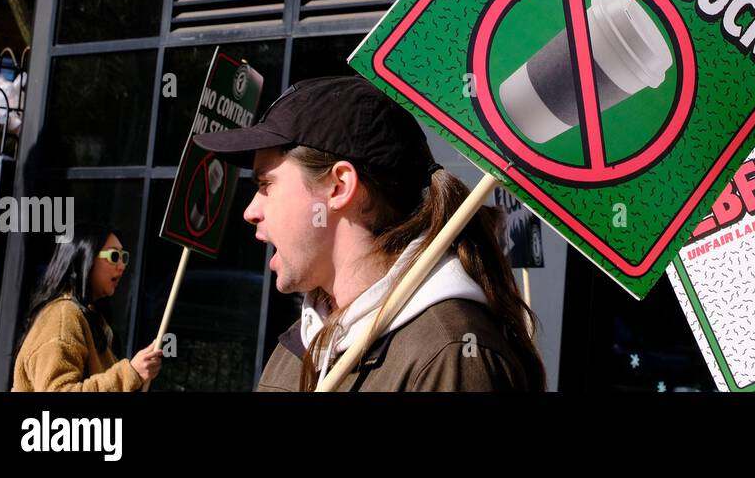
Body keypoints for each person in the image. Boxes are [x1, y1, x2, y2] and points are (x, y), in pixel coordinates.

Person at [195, 75, 546, 391]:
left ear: (339, 186)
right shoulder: (302, 343)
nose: (250, 211)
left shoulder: (450, 356)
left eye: (266, 185)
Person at [12, 222, 163, 391]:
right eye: (114, 256)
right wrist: (130, 373)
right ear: (85, 257)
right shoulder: (63, 316)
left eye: (124, 257)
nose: (121, 266)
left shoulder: (89, 317)